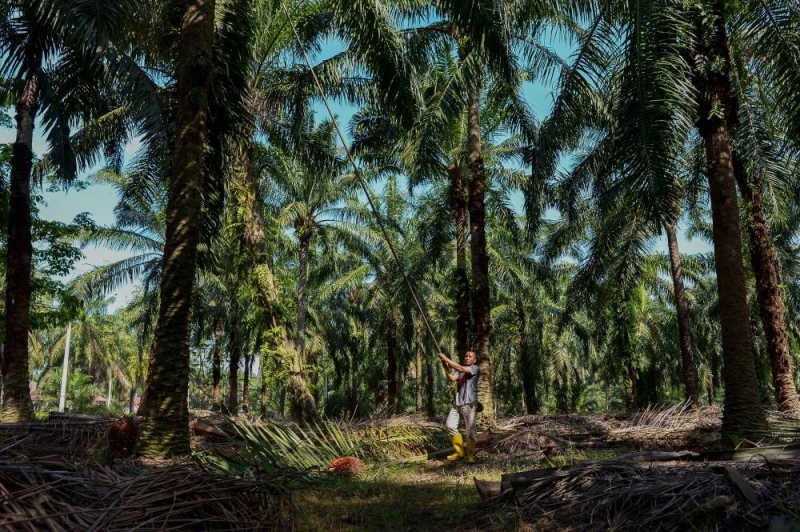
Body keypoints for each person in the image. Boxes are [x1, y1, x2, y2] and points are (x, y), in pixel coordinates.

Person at [438, 350, 480, 463]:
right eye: (466, 355)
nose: (467, 357)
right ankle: (459, 452)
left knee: (470, 431)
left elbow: (461, 368)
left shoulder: (475, 368)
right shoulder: (461, 372)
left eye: (470, 356)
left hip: (469, 404)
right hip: (457, 403)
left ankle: (470, 456)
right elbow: (452, 379)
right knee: (450, 425)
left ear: (474, 360)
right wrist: (445, 366)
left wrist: (446, 358)